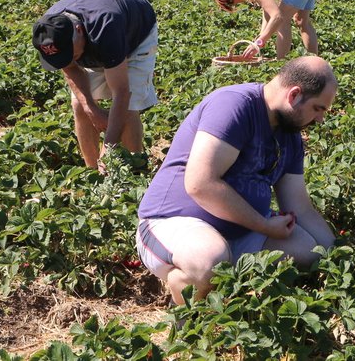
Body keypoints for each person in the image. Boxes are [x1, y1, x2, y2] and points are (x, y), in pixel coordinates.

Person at [135, 57, 338, 305]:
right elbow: (201, 184)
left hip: (238, 232)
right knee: (209, 260)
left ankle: (227, 294)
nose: (319, 120)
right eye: (318, 108)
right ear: (294, 95)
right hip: (173, 222)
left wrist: (338, 258)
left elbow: (301, 207)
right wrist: (264, 225)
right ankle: (186, 314)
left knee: (307, 251)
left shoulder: (290, 136)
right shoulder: (234, 106)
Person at [32, 0, 158, 170]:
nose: (69, 60)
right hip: (98, 34)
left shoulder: (106, 28)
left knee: (128, 109)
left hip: (135, 33)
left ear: (79, 31)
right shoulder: (49, 30)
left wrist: (109, 146)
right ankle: (93, 173)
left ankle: (135, 169)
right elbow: (70, 69)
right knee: (79, 105)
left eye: (70, 54)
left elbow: (122, 92)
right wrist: (90, 107)